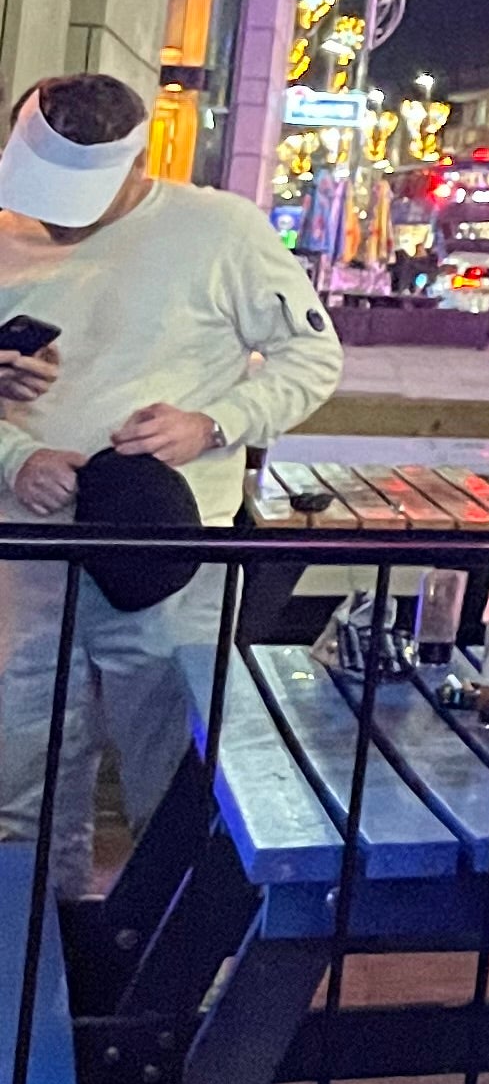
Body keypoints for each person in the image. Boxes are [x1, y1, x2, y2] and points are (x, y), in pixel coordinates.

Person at [0, 74, 341, 899]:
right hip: (26, 552)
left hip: (167, 555)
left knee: (176, 775)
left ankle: (167, 980)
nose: (58, 213)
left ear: (137, 162)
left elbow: (313, 358)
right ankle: (27, 976)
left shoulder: (218, 230)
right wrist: (15, 457)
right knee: (16, 778)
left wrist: (213, 421)